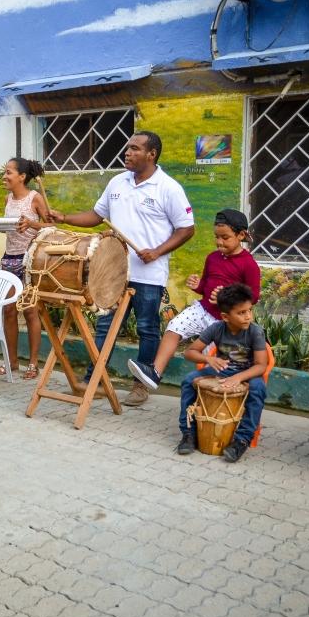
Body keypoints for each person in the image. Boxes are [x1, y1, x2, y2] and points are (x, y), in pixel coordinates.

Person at [49, 132, 195, 406]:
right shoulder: (118, 182)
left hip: (148, 275)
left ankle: (141, 385)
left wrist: (157, 251)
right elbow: (97, 216)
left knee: (147, 328)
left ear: (152, 154)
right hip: (114, 271)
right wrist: (64, 217)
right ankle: (95, 377)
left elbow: (187, 229)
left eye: (135, 149)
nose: (127, 153)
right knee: (105, 327)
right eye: (127, 148)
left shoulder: (168, 187)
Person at [129, 209, 261, 390]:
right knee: (174, 326)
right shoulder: (212, 258)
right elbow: (206, 286)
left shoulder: (249, 264)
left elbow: (253, 296)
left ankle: (211, 406)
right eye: (216, 237)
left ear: (241, 235)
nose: (219, 242)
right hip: (202, 309)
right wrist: (198, 285)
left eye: (225, 237)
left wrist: (227, 296)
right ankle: (155, 373)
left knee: (213, 362)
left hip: (224, 321)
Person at [178, 284, 268, 462]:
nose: (248, 316)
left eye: (249, 310)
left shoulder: (255, 332)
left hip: (248, 372)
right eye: (241, 313)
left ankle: (242, 439)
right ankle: (188, 433)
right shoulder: (216, 328)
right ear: (225, 316)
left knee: (258, 389)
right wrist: (209, 360)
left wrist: (239, 377)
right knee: (188, 381)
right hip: (220, 370)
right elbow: (189, 352)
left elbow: (261, 365)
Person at [2, 157, 51, 380]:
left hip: (30, 260)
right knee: (9, 311)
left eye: (9, 172)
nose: (5, 176)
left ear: (22, 176)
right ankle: (11, 362)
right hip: (9, 258)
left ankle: (33, 364)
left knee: (30, 310)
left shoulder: (35, 198)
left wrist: (31, 224)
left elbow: (51, 225)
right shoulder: (8, 199)